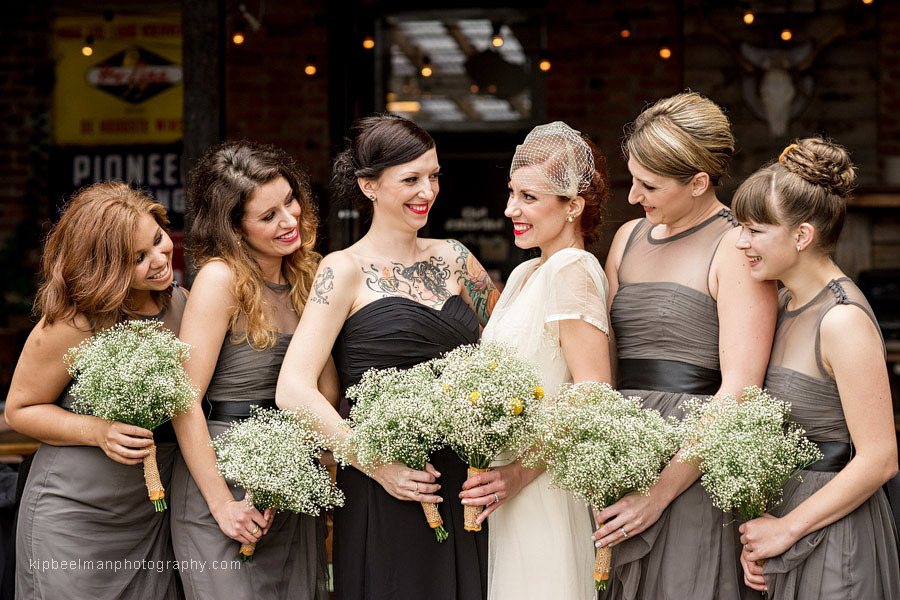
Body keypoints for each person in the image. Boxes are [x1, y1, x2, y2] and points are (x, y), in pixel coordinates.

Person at [275, 113, 499, 600]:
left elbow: (509, 349)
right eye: (411, 179)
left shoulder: (458, 259)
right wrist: (375, 463)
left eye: (434, 176)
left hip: (465, 481)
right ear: (369, 186)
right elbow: (293, 388)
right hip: (385, 482)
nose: (428, 191)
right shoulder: (343, 270)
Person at [594, 92, 778, 600]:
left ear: (698, 182)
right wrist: (597, 460)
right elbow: (602, 371)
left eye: (649, 185)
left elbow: (740, 389)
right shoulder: (627, 238)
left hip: (692, 465)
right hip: (619, 458)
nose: (632, 196)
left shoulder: (736, 248)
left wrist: (657, 493)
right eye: (632, 178)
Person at [733, 138, 900, 599]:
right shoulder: (784, 301)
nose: (741, 242)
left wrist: (787, 530)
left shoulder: (842, 320)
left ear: (802, 236)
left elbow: (880, 458)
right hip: (783, 528)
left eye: (755, 230)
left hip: (835, 539)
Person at [6, 182, 185, 600]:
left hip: (150, 518)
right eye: (138, 258)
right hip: (73, 518)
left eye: (158, 240)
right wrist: (97, 431)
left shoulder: (182, 304)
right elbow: (21, 409)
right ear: (105, 266)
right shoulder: (74, 322)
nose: (159, 260)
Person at [169, 140, 329, 599]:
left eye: (290, 201)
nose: (289, 219)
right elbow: (184, 401)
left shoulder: (309, 276)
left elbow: (324, 383)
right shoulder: (220, 280)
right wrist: (222, 504)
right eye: (268, 216)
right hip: (222, 478)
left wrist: (323, 461)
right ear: (234, 229)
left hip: (290, 478)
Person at [458, 122, 612, 599]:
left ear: (573, 206)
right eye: (511, 193)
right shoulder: (527, 272)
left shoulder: (573, 271)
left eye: (528, 197)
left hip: (544, 482)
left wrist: (520, 472)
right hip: (506, 483)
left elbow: (591, 393)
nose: (510, 209)